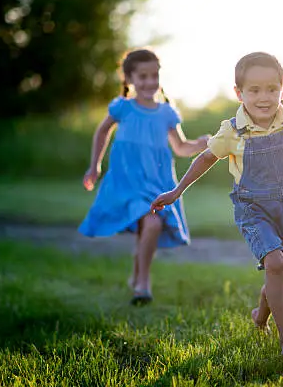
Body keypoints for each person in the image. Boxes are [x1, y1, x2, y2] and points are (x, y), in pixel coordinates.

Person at [151, 52, 283, 357]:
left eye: (273, 89)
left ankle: (260, 316)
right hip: (252, 208)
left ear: (282, 90)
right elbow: (206, 158)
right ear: (240, 93)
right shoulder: (232, 129)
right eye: (255, 90)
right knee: (276, 264)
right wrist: (177, 190)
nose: (265, 97)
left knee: (280, 272)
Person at [79, 48, 209, 306]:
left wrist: (201, 144)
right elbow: (102, 133)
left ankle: (138, 277)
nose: (150, 82)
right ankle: (143, 283)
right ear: (129, 79)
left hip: (157, 181)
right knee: (150, 224)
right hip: (127, 181)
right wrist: (95, 166)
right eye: (143, 76)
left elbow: (181, 147)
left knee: (147, 228)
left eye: (154, 75)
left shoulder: (167, 113)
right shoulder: (122, 108)